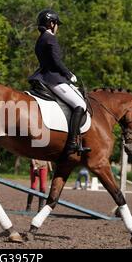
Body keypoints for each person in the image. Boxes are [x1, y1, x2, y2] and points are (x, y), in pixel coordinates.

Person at [28, 9, 89, 156]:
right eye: (57, 24)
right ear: (51, 23)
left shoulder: (41, 39)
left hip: (42, 76)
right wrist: (68, 74)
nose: (57, 27)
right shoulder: (51, 38)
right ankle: (71, 143)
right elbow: (56, 61)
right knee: (80, 104)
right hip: (53, 79)